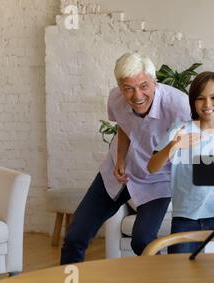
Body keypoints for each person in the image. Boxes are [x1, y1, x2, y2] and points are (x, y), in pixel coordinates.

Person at [60, 52, 191, 264]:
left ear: (154, 81)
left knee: (142, 240)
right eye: (128, 88)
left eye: (143, 86)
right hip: (118, 172)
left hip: (156, 179)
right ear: (120, 87)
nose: (137, 95)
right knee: (76, 235)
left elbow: (188, 148)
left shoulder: (178, 105)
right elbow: (123, 126)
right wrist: (120, 158)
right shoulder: (115, 98)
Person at [148, 71, 214, 254]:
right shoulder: (180, 130)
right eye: (200, 98)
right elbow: (152, 167)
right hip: (185, 219)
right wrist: (173, 146)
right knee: (182, 277)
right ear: (193, 102)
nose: (207, 104)